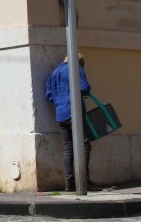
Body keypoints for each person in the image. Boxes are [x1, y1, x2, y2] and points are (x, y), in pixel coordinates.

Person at [45, 54, 92, 191]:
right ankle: (84, 181)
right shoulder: (75, 68)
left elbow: (48, 95)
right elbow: (85, 88)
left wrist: (61, 101)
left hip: (60, 115)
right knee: (85, 145)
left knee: (68, 148)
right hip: (74, 112)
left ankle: (69, 183)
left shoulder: (54, 72)